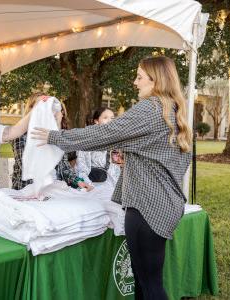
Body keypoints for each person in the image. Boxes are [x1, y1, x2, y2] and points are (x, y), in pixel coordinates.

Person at [32, 56, 192, 300]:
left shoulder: (151, 107)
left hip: (146, 206)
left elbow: (105, 133)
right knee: (145, 282)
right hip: (164, 202)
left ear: (156, 80)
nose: (134, 82)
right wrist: (138, 160)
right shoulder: (173, 108)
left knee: (149, 286)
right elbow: (172, 158)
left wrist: (57, 137)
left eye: (139, 77)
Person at [11, 92, 93, 192]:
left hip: (54, 189)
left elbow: (64, 167)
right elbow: (29, 168)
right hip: (29, 190)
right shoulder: (22, 134)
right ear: (32, 109)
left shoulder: (54, 135)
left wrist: (78, 182)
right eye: (42, 105)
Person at [76, 107, 121, 186]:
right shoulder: (88, 138)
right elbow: (82, 164)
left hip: (108, 181)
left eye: (112, 118)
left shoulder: (114, 140)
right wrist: (87, 183)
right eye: (105, 118)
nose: (110, 121)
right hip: (92, 179)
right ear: (96, 121)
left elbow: (114, 166)